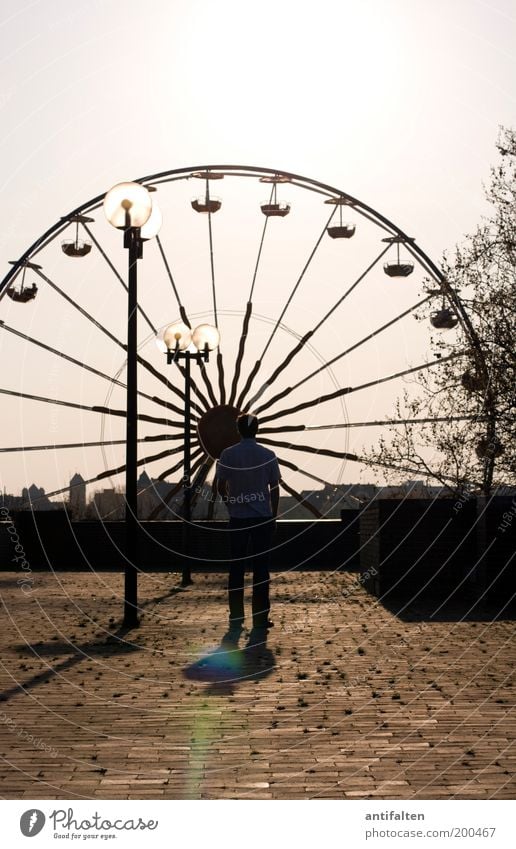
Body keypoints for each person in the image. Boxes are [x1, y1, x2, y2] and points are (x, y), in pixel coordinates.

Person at [216, 413, 280, 636]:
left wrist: (232, 504)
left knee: (236, 569)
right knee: (261, 569)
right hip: (262, 517)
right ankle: (260, 619)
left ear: (238, 430)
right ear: (257, 430)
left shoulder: (228, 454)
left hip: (238, 518)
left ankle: (236, 617)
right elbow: (274, 488)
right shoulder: (268, 455)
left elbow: (220, 485)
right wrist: (273, 515)